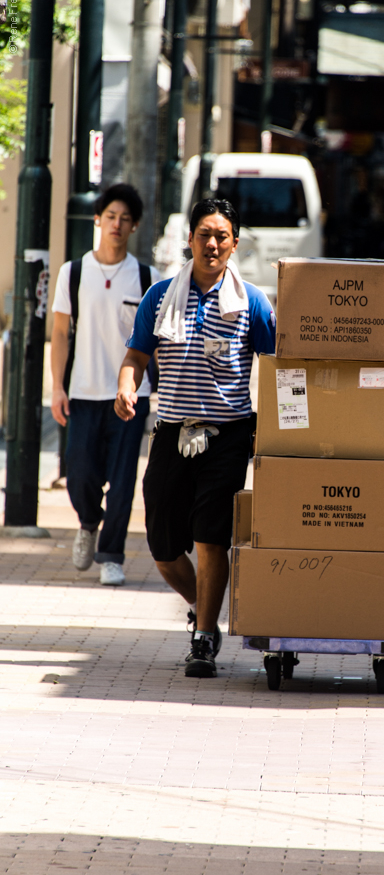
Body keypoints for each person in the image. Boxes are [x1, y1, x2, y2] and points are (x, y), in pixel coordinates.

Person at [114, 198, 276, 678]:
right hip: (171, 432)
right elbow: (137, 356)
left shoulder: (253, 303)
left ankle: (204, 635)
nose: (212, 244)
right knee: (163, 546)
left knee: (210, 535)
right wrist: (126, 388)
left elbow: (279, 367)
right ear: (189, 239)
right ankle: (202, 603)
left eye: (221, 236)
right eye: (204, 234)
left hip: (229, 435)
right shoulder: (160, 296)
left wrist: (283, 425)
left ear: (235, 244)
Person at [50, 184, 160, 586]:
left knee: (124, 478)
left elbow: (158, 345)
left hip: (132, 396)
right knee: (78, 471)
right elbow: (60, 334)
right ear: (98, 219)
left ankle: (111, 554)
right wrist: (57, 388)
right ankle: (88, 522)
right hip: (83, 391)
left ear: (134, 227)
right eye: (110, 216)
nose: (117, 224)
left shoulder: (148, 277)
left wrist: (160, 394)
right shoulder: (73, 272)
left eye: (125, 218)